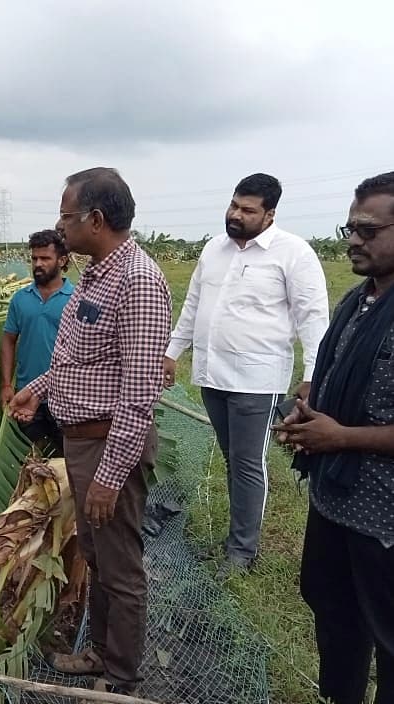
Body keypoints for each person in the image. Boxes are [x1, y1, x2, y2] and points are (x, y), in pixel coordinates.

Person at [10, 168, 171, 696]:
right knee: (98, 558)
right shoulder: (98, 274)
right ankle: (100, 652)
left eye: (64, 214)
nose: (59, 224)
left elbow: (138, 392)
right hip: (82, 442)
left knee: (121, 568)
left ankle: (122, 678)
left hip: (108, 447)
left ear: (95, 220)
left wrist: (109, 474)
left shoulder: (139, 283)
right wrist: (37, 387)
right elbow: (79, 362)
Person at [164, 173, 329, 574]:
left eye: (247, 210)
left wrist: (313, 375)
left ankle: (242, 552)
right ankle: (235, 541)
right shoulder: (213, 250)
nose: (236, 214)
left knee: (248, 462)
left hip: (258, 379)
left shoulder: (293, 254)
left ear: (269, 214)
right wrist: (172, 352)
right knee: (231, 458)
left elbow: (314, 318)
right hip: (210, 374)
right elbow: (194, 306)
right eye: (234, 205)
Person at [277, 172, 394, 704]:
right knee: (335, 616)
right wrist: (309, 424)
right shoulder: (356, 302)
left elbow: (346, 427)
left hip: (385, 519)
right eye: (351, 228)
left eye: (368, 231)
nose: (353, 240)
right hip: (335, 500)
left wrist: (340, 436)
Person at [0, 229, 73, 451]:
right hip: (26, 394)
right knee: (31, 462)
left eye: (45, 258)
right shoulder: (20, 299)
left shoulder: (76, 299)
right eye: (34, 259)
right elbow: (8, 340)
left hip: (64, 397)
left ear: (61, 260)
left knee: (65, 463)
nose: (38, 264)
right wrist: (5, 384)